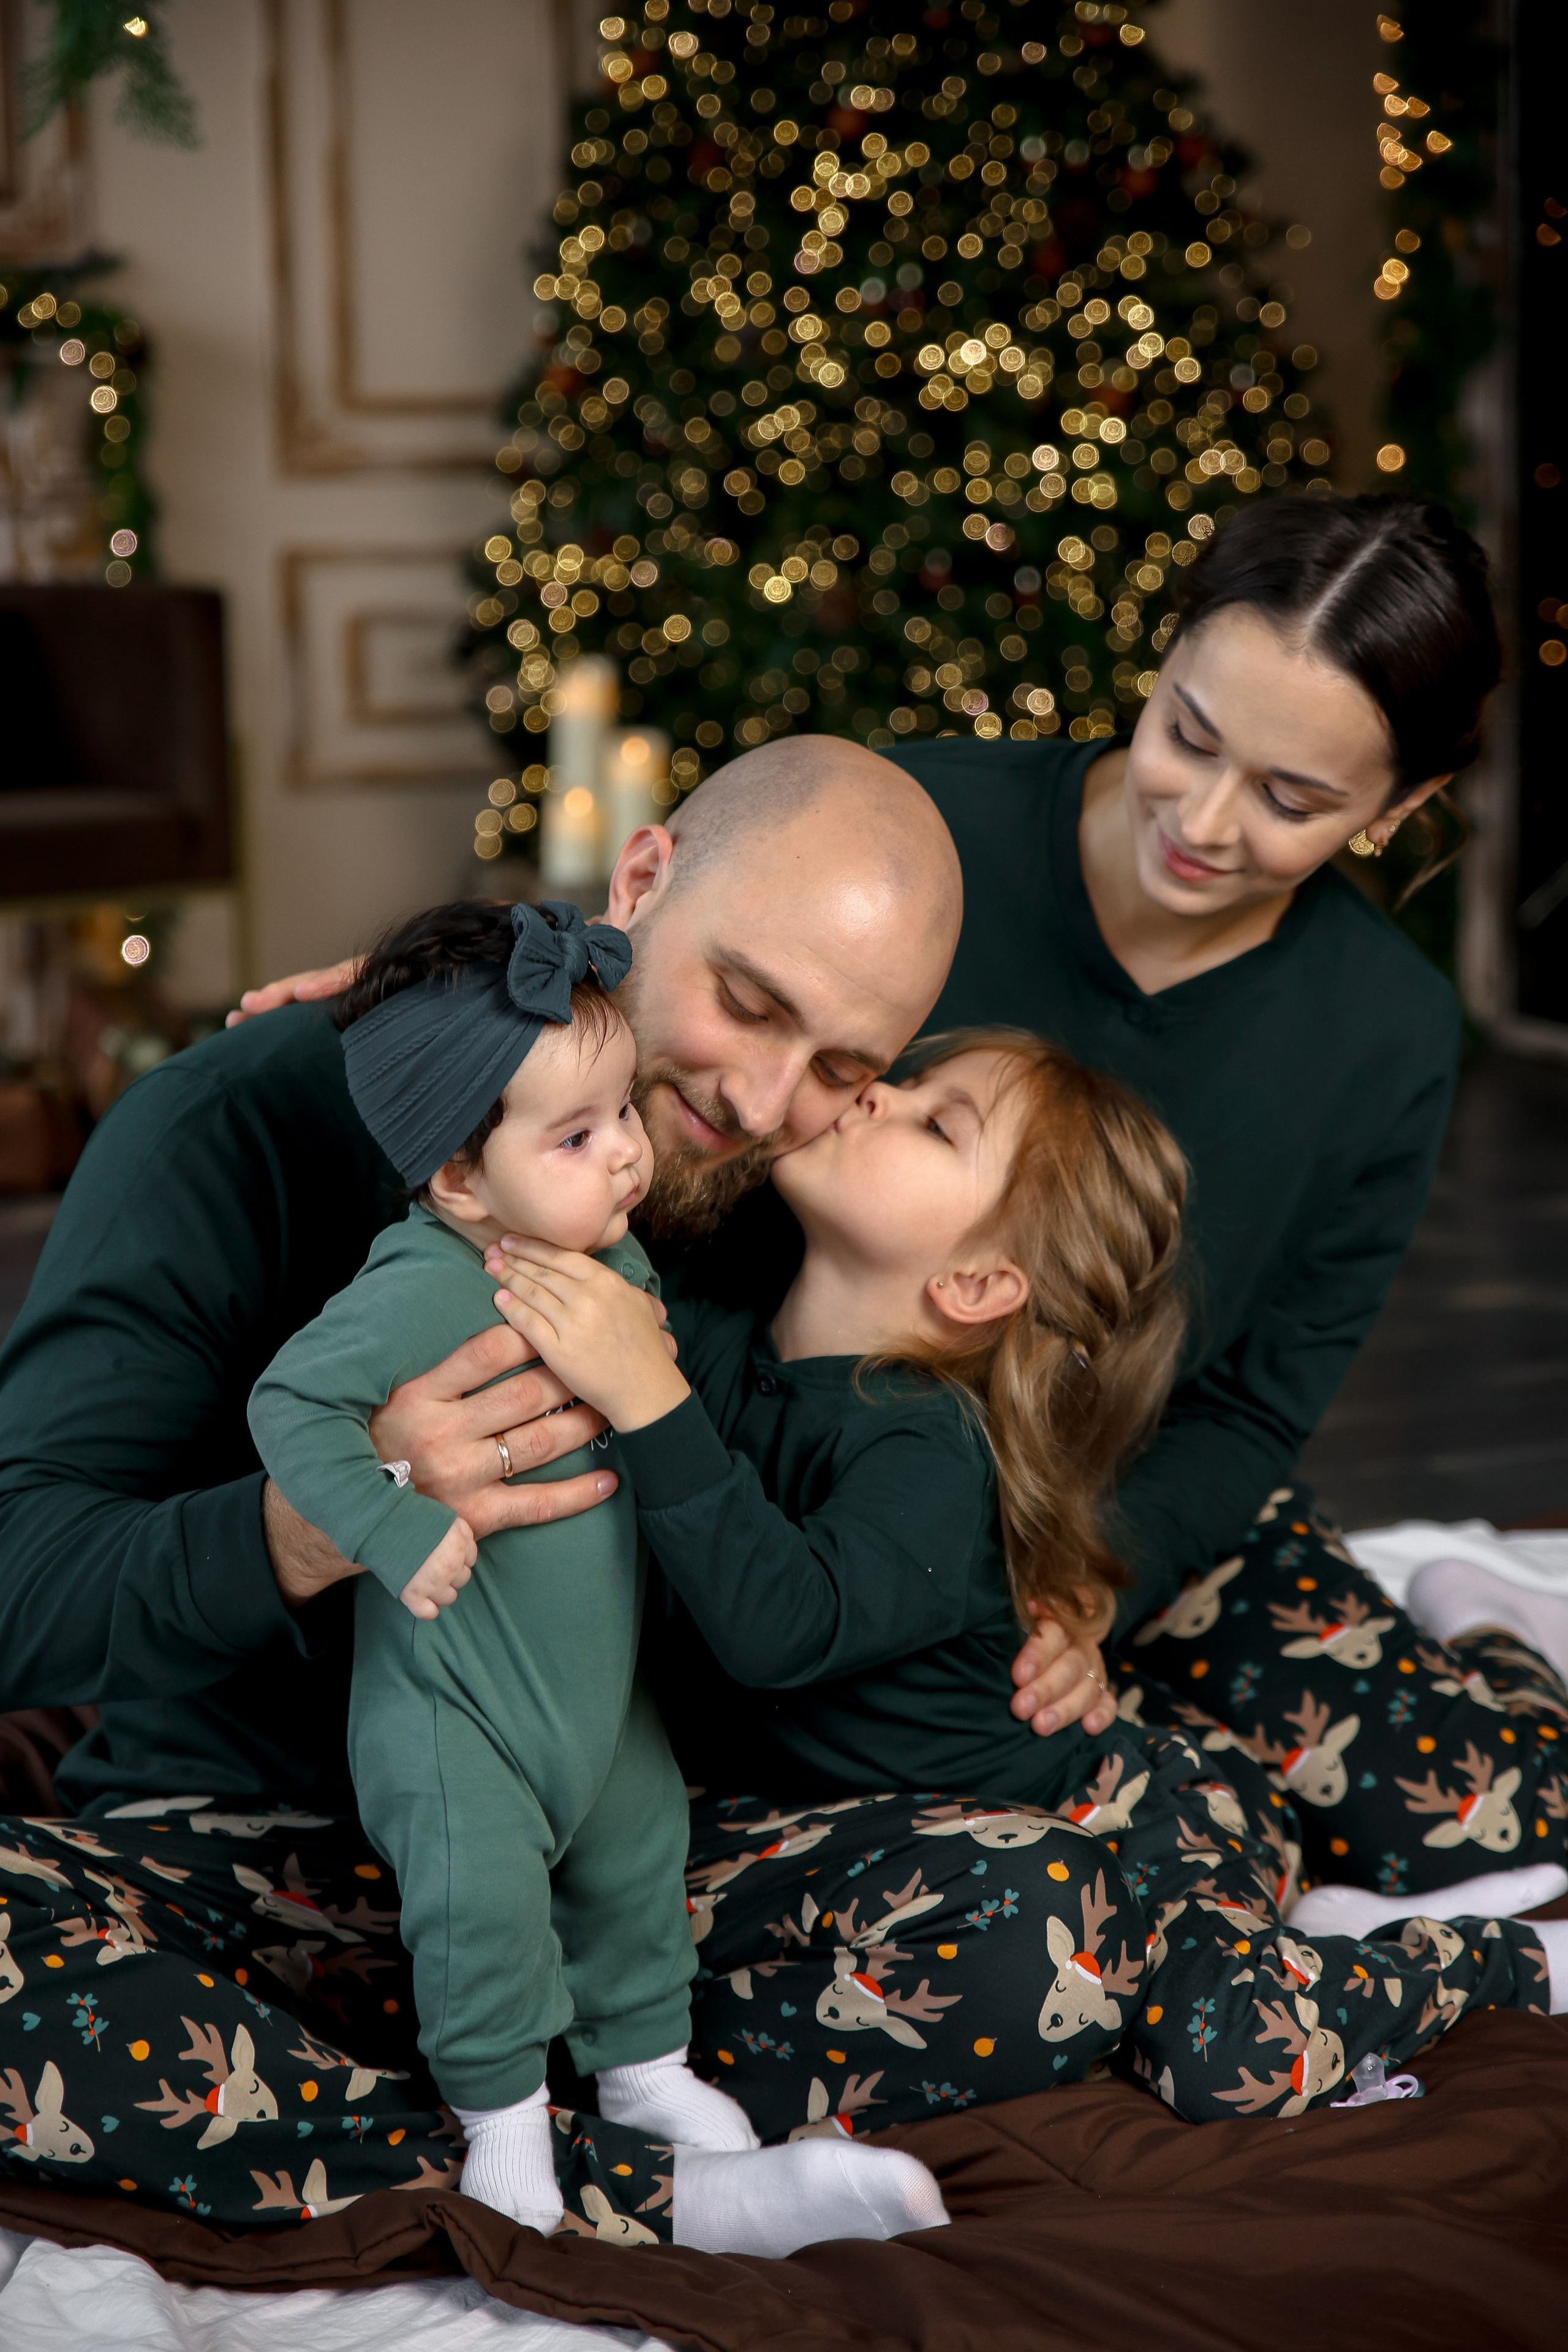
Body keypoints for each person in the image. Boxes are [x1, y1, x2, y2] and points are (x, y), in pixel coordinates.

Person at [0, 491, 1551, 2214]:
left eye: (851, 1068)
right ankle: (585, 2165)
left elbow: (824, 1527)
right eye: (742, 1003)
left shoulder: (756, 1180)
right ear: (638, 877)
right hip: (310, 1812)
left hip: (676, 1790)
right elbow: (22, 1585)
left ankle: (566, 2118)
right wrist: (327, 1505)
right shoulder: (239, 1134)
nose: (766, 1099)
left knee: (1150, 1866)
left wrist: (1067, 1580)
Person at [483, 1026, 1562, 2138]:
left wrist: (647, 1398)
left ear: (979, 1281)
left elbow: (780, 1627)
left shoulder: (925, 1446)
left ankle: (1478, 1955)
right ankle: (1299, 1929)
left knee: (1228, 2056)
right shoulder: (710, 1338)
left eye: (935, 1121)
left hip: (1122, 1814)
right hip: (855, 1828)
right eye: (905, 1082)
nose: (871, 1099)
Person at [249, 897, 758, 2234]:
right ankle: (504, 2121)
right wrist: (396, 1518)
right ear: (461, 1182)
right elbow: (287, 1409)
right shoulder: (423, 1286)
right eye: (578, 1137)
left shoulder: (606, 1250)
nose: (629, 1156)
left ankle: (643, 2069)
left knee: (639, 1853)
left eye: (625, 1113)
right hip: (458, 1706)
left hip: (593, 1690)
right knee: (478, 1905)